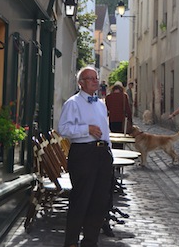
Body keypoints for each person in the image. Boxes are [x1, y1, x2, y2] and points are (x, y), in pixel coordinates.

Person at [58, 66, 113, 247]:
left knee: (99, 201)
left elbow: (105, 130)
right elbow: (63, 129)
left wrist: (109, 151)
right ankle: (71, 242)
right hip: (83, 154)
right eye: (90, 78)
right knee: (80, 200)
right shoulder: (73, 103)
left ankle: (90, 241)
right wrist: (86, 129)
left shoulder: (100, 104)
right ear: (81, 83)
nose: (95, 81)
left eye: (96, 78)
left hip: (102, 155)